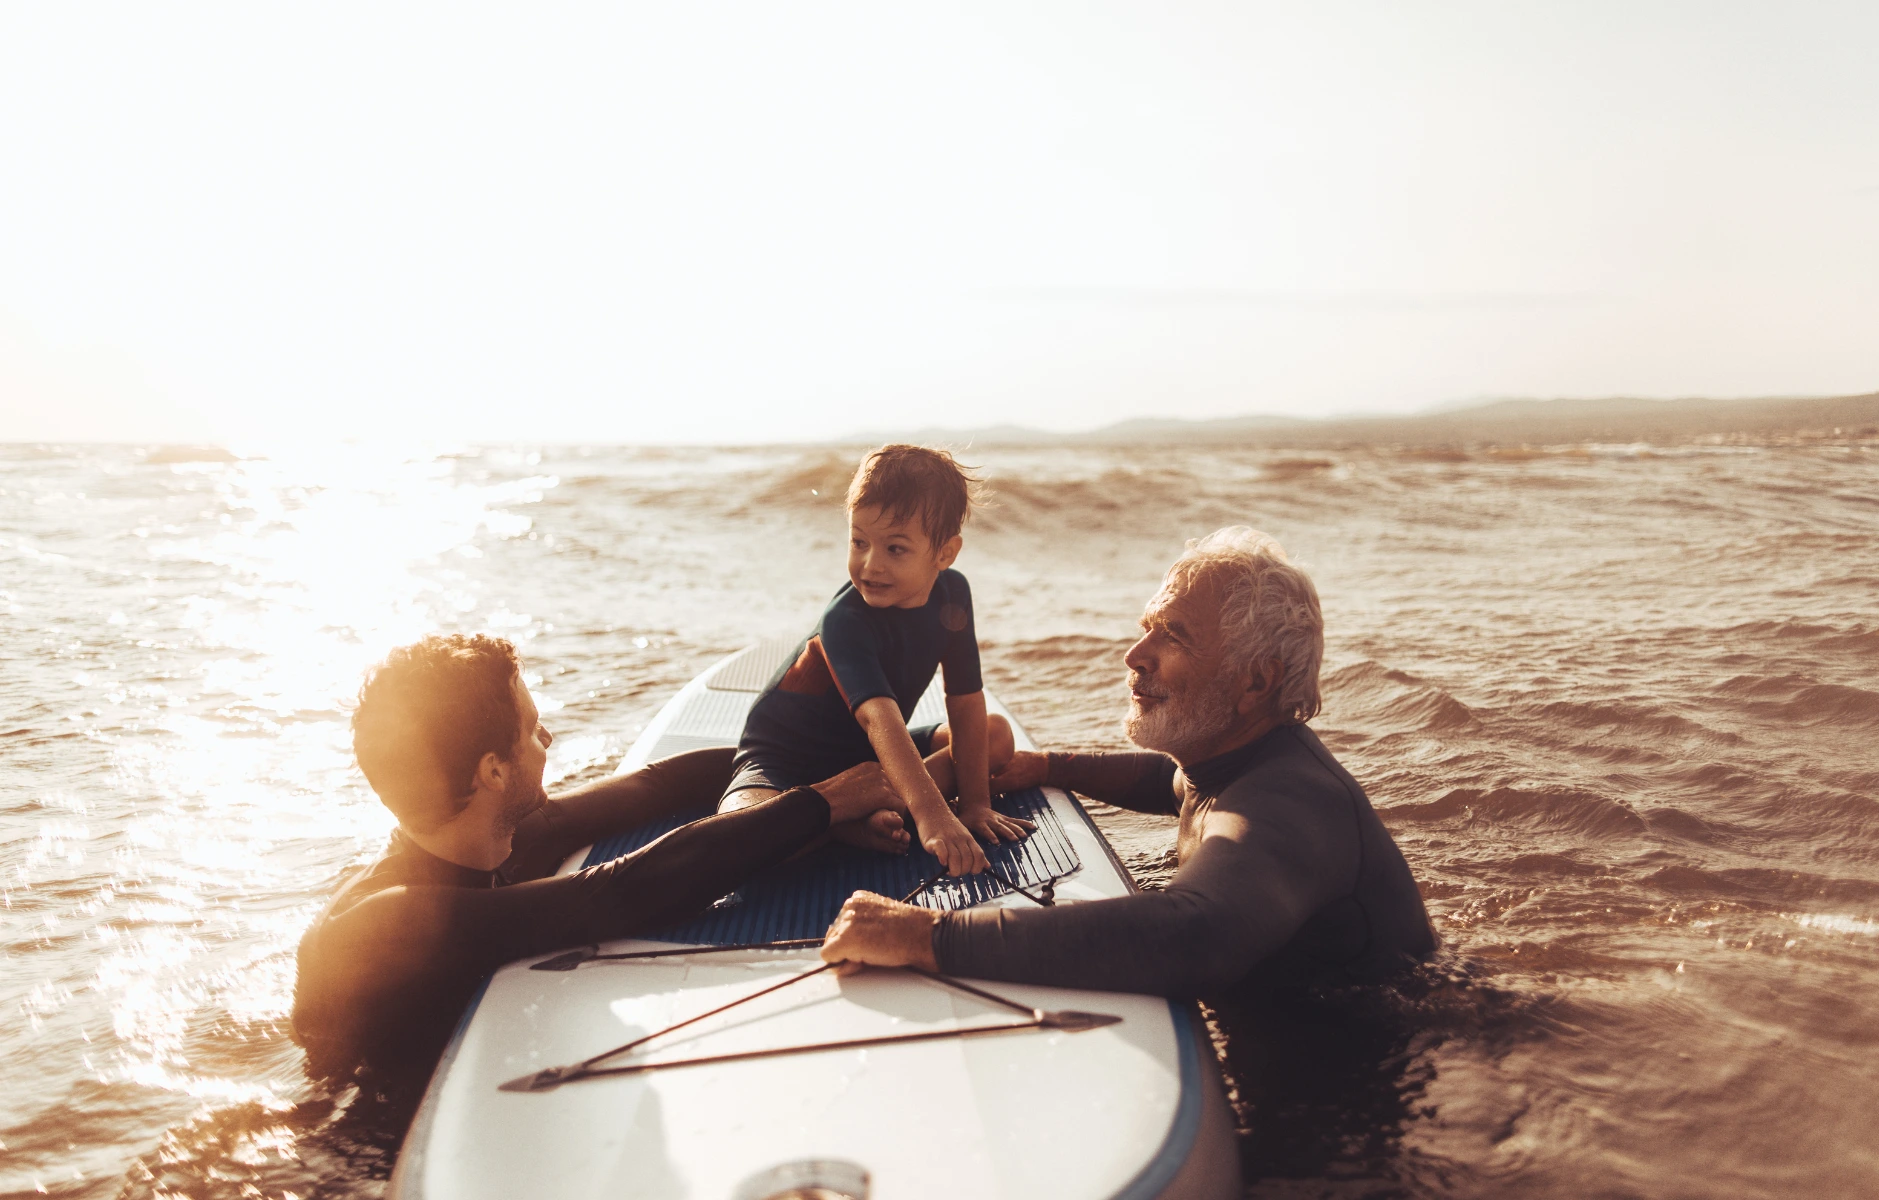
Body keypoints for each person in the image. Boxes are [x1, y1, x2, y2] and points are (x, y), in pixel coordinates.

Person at [821, 526, 1437, 995]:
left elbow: (1196, 933)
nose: (1134, 655)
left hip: (1366, 1079)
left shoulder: (1289, 802)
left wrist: (926, 936)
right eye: (1148, 627)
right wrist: (1050, 767)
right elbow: (1173, 786)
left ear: (1256, 682)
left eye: (1174, 636)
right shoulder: (1240, 765)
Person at [291, 633, 900, 1073]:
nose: (547, 737)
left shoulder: (484, 842)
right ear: (493, 770)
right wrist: (823, 802)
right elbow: (624, 889)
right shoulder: (382, 922)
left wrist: (874, 766)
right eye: (531, 728)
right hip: (358, 1154)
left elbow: (655, 787)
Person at [721, 445, 1029, 876]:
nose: (870, 564)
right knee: (741, 836)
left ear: (945, 553)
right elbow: (879, 720)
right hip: (786, 765)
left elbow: (965, 700)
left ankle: (859, 815)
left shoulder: (953, 595)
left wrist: (975, 805)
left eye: (895, 549)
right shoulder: (844, 620)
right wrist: (933, 815)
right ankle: (843, 824)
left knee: (994, 734)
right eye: (859, 542)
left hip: (871, 762)